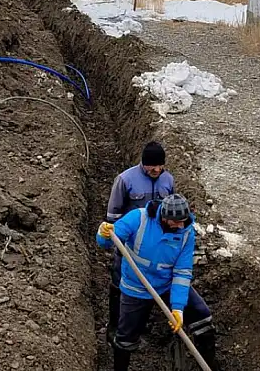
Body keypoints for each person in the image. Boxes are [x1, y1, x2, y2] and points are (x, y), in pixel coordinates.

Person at [97, 194, 218, 371]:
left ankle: (210, 364)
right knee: (125, 337)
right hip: (136, 287)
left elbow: (182, 272)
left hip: (166, 284)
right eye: (176, 222)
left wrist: (177, 308)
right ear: (164, 217)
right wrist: (103, 234)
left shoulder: (186, 233)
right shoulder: (138, 218)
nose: (180, 225)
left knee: (202, 316)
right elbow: (106, 241)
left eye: (183, 221)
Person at [105, 141, 176, 343]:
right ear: (143, 163)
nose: (157, 169)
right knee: (120, 282)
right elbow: (113, 215)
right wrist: (117, 242)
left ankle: (139, 324)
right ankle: (115, 326)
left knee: (150, 284)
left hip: (156, 246)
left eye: (160, 165)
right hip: (129, 245)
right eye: (152, 165)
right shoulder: (125, 180)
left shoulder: (168, 180)